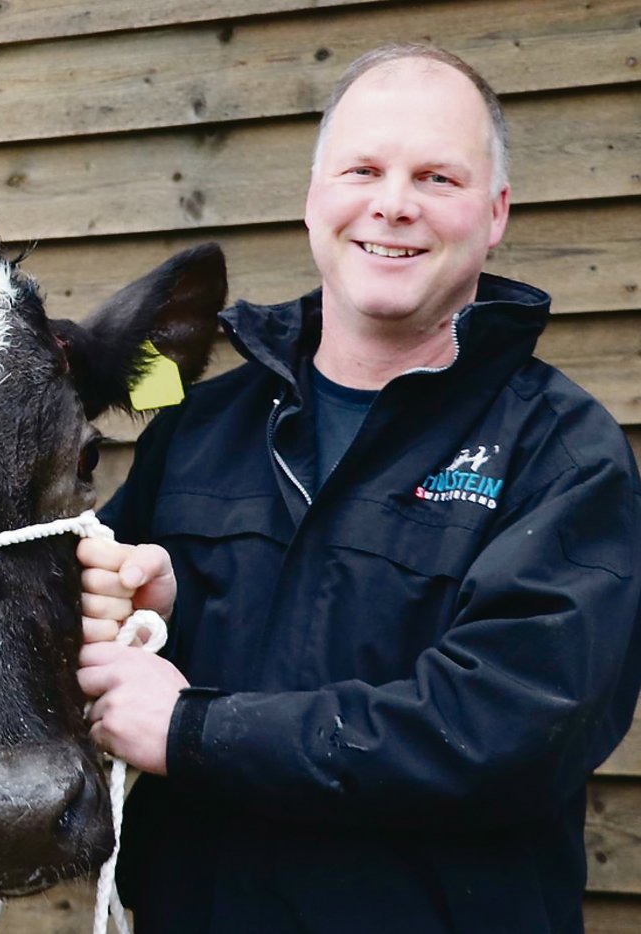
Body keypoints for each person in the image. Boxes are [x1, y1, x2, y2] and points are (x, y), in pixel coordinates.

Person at [75, 44, 641, 933]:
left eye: (437, 178)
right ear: (315, 196)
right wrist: (143, 605)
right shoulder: (198, 428)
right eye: (364, 170)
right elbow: (83, 649)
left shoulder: (563, 455)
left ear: (495, 213)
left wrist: (192, 732)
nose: (394, 203)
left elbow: (498, 732)